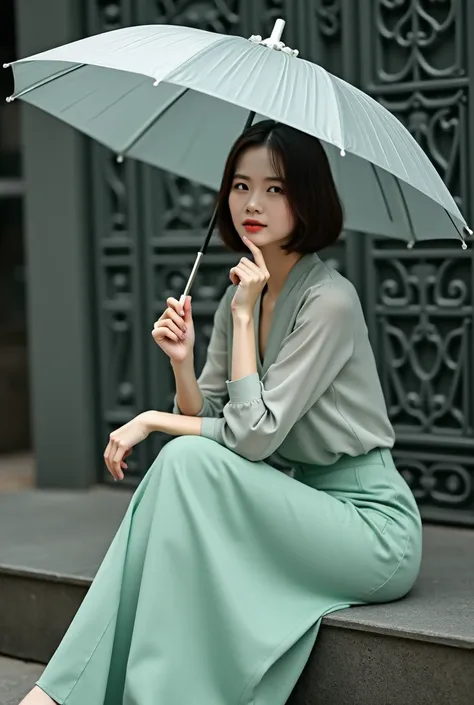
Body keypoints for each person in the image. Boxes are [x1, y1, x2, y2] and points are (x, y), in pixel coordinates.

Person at [21, 120, 422, 705]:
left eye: (276, 188)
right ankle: (68, 694)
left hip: (369, 527)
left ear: (307, 197)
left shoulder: (329, 301)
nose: (252, 203)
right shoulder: (241, 294)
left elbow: (251, 438)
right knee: (182, 473)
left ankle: (61, 696)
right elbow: (212, 414)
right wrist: (182, 364)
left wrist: (156, 417)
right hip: (296, 502)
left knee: (182, 460)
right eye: (240, 185)